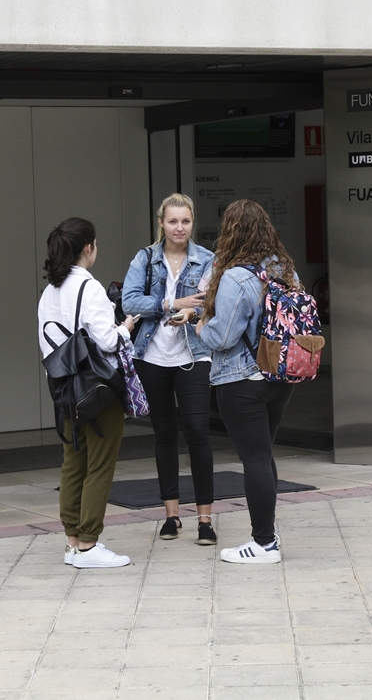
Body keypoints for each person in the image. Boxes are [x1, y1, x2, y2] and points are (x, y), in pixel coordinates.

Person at [195, 200, 298, 564]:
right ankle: (267, 533)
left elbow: (223, 337)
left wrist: (200, 325)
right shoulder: (284, 270)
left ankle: (263, 542)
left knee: (253, 458)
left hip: (241, 381)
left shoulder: (236, 276)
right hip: (280, 376)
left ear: (231, 232)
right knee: (263, 454)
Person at [38, 217, 138, 569]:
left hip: (65, 390)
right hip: (98, 390)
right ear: (87, 248)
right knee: (100, 464)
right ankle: (89, 544)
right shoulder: (90, 288)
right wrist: (126, 326)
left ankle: (72, 542)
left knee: (73, 462)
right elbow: (107, 341)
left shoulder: (49, 292)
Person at [121, 194, 217, 545]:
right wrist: (170, 304)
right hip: (152, 357)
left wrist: (193, 312)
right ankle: (171, 516)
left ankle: (205, 519)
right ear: (160, 222)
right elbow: (129, 301)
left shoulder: (208, 259)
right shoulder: (145, 259)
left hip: (194, 355)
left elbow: (214, 301)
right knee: (164, 434)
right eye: (173, 221)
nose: (180, 228)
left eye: (186, 221)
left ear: (193, 223)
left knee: (197, 432)